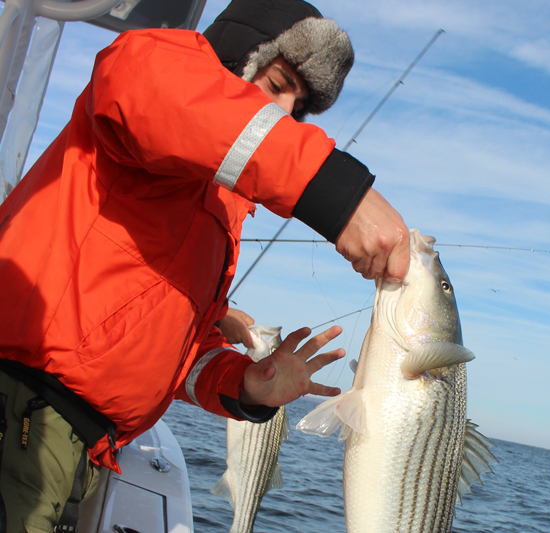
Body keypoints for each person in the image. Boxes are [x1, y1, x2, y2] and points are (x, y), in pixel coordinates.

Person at [0, 0, 410, 530]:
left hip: (87, 447)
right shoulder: (149, 61)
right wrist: (340, 196)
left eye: (298, 107)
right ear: (240, 53)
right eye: (278, 83)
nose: (284, 112)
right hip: (23, 407)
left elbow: (177, 354)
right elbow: (176, 98)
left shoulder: (219, 205)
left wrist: (247, 385)